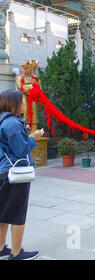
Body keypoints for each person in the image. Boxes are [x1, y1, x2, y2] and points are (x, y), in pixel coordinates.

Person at [0, 89, 44, 260]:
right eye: (23, 101)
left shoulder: (5, 120)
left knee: (3, 212)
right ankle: (16, 253)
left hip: (3, 171)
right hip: (14, 175)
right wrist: (33, 137)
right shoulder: (12, 124)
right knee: (17, 212)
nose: (25, 103)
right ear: (14, 104)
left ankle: (2, 247)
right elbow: (21, 150)